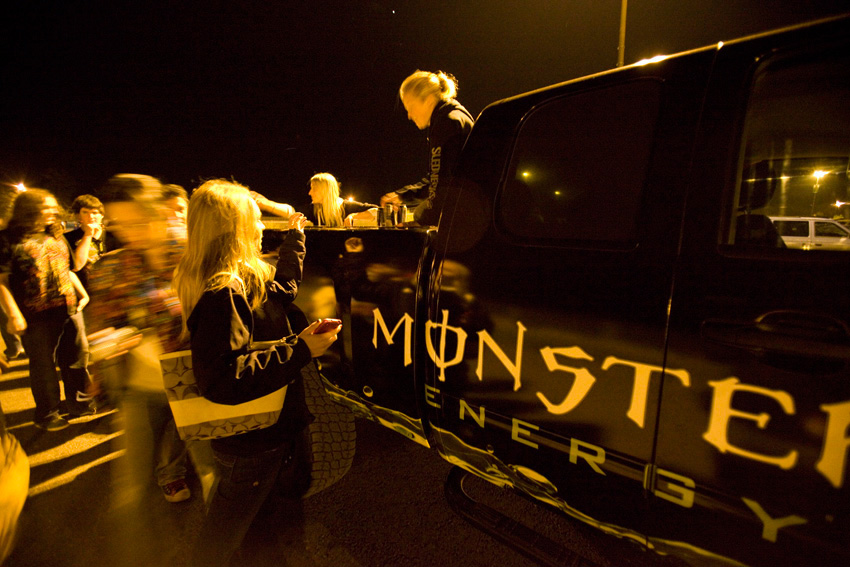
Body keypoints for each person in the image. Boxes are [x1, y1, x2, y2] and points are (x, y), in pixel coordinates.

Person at [173, 179, 339, 567]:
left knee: (257, 531)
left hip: (258, 436)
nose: (263, 226)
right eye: (255, 218)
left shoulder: (234, 279)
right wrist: (301, 349)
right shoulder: (223, 291)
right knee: (219, 540)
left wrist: (296, 239)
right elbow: (223, 379)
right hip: (251, 443)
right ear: (233, 229)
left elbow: (279, 291)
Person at [86, 174, 214, 504]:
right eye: (119, 225)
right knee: (140, 464)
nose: (128, 234)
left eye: (138, 221)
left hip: (195, 370)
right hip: (142, 381)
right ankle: (168, 475)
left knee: (209, 453)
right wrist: (107, 344)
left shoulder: (194, 253)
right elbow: (104, 320)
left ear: (159, 210)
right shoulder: (113, 265)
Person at [0, 189, 93, 431]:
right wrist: (12, 313)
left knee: (76, 358)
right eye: (46, 207)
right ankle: (48, 413)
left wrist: (82, 293)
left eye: (54, 206)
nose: (53, 211)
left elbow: (69, 269)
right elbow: (1, 280)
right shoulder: (8, 238)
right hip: (34, 314)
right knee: (43, 365)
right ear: (27, 209)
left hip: (69, 307)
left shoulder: (56, 235)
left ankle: (79, 403)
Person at [381, 70, 475, 226]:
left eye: (409, 107)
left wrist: (423, 221)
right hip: (470, 212)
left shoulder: (446, 123)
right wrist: (403, 195)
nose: (409, 115)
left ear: (428, 99)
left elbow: (443, 185)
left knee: (417, 215)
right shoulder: (456, 116)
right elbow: (437, 179)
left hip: (463, 221)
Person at [254, 172, 378, 227]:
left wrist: (354, 216)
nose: (309, 193)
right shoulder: (315, 209)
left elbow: (378, 211)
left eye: (313, 189)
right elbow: (292, 212)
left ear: (324, 191)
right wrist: (267, 204)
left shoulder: (345, 206)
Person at [64, 194, 107, 291]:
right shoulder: (68, 238)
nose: (91, 216)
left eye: (95, 212)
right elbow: (77, 266)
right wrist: (88, 234)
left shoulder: (112, 236)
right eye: (85, 212)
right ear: (78, 215)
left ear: (102, 215)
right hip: (84, 291)